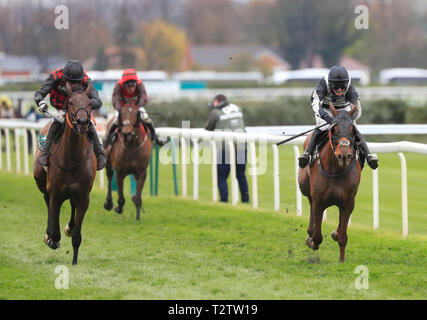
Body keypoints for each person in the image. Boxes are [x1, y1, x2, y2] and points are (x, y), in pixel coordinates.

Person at [298, 65, 378, 170]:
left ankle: (368, 155)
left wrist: (347, 120)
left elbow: (357, 109)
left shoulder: (349, 85)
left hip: (343, 110)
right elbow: (316, 104)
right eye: (336, 86)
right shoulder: (323, 84)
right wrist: (327, 118)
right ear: (330, 84)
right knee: (322, 127)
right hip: (325, 109)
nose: (340, 90)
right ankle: (307, 154)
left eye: (342, 86)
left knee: (352, 128)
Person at [34, 60, 106, 170]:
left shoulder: (86, 80)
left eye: (77, 82)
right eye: (71, 82)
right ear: (65, 77)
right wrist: (40, 101)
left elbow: (98, 102)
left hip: (78, 108)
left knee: (88, 123)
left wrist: (88, 103)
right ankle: (45, 153)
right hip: (62, 107)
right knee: (56, 122)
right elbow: (39, 93)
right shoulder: (55, 76)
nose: (74, 85)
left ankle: (100, 154)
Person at [204, 94, 249, 203]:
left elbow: (207, 128)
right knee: (240, 174)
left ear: (217, 102)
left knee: (221, 176)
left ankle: (224, 201)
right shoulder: (237, 108)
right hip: (242, 145)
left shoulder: (215, 113)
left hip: (225, 148)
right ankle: (246, 200)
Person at [103, 68, 164, 148]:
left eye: (133, 86)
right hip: (122, 108)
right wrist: (121, 110)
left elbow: (143, 97)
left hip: (136, 106)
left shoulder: (140, 84)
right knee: (116, 120)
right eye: (128, 86)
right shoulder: (118, 86)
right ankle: (108, 138)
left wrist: (136, 107)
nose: (131, 89)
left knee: (146, 117)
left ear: (136, 83)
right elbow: (115, 100)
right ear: (124, 84)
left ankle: (155, 137)